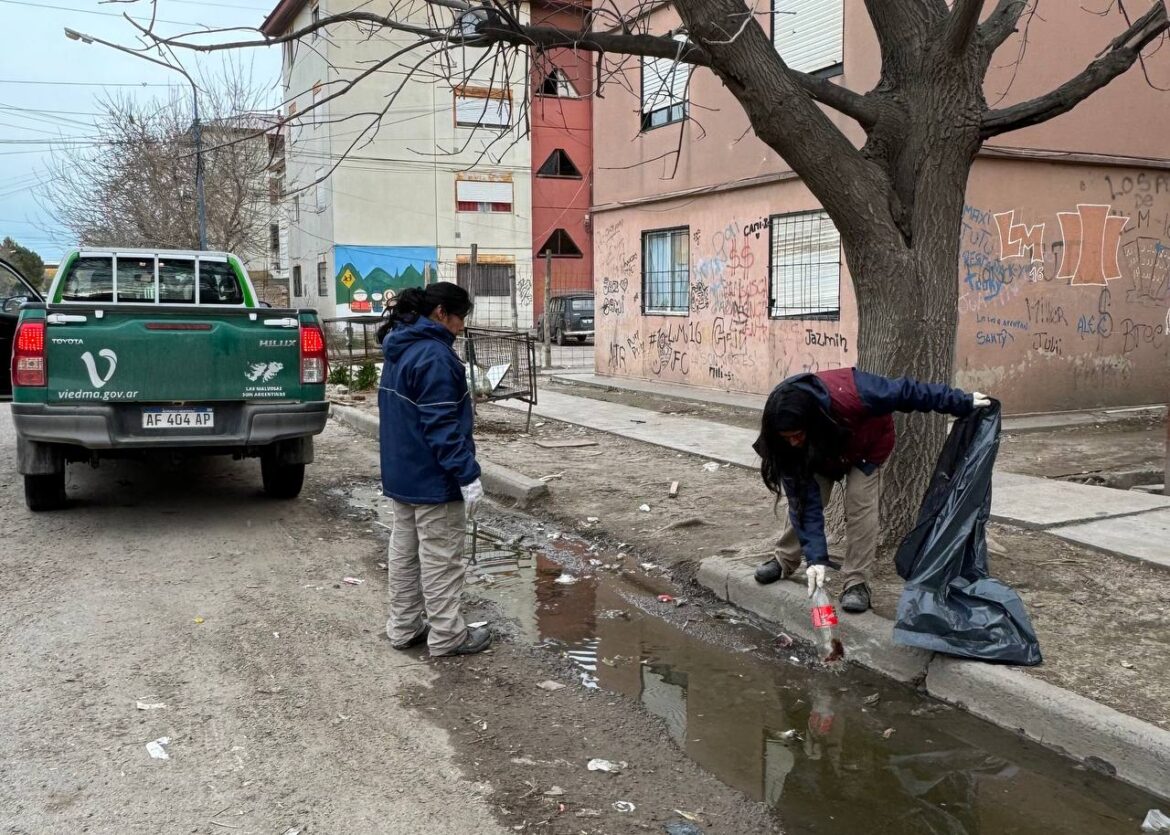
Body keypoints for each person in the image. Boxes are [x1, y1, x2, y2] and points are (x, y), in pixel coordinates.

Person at [752, 367, 991, 614]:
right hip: (818, 453)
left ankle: (856, 583)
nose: (792, 441)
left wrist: (961, 401)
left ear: (810, 420)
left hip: (865, 448)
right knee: (804, 503)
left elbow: (908, 392)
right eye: (786, 437)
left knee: (860, 506)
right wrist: (815, 559)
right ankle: (785, 560)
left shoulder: (857, 391)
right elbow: (805, 504)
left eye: (797, 434)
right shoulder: (786, 442)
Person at [377, 281, 491, 657]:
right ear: (442, 313)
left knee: (405, 554)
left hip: (402, 472)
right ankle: (447, 636)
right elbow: (442, 424)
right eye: (460, 318)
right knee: (442, 558)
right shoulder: (435, 357)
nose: (461, 327)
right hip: (433, 477)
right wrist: (467, 473)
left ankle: (405, 627)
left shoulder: (400, 346)